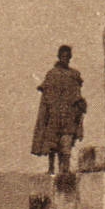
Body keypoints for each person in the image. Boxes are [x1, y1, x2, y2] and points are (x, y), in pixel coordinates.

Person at [30, 45, 87, 175]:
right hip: (53, 116)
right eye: (63, 56)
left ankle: (65, 171)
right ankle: (51, 169)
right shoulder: (52, 74)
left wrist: (79, 111)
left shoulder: (74, 75)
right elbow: (46, 97)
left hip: (69, 116)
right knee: (52, 145)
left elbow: (78, 96)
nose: (65, 59)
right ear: (59, 57)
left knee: (66, 145)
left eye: (67, 57)